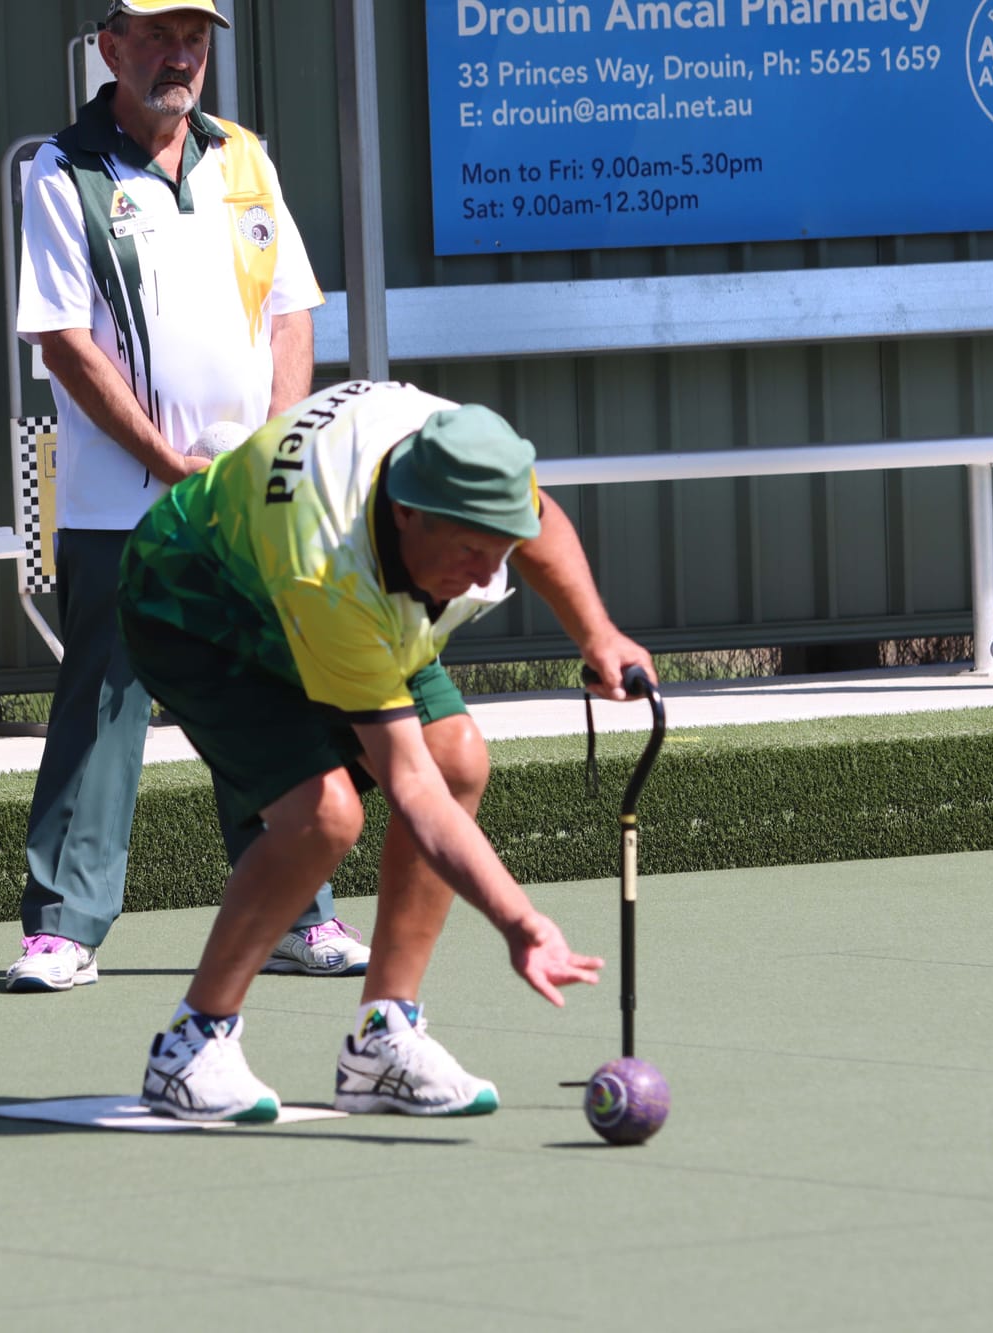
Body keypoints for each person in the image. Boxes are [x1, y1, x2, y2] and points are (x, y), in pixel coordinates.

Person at [119, 379, 654, 1121]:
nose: (486, 574)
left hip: (326, 582)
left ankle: (383, 1038)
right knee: (323, 816)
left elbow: (538, 517)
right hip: (198, 605)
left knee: (458, 757)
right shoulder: (329, 567)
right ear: (406, 510)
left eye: (498, 549)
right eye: (470, 549)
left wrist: (598, 635)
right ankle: (191, 1045)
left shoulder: (465, 459)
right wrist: (520, 921)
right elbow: (411, 786)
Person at [9, 0, 368, 993]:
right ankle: (63, 928)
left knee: (265, 701)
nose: (180, 57)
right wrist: (171, 464)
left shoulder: (244, 158)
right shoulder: (62, 171)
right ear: (110, 47)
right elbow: (63, 340)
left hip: (242, 503)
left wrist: (271, 452)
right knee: (102, 708)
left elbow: (291, 312)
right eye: (160, 37)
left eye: (195, 39)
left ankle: (296, 912)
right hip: (120, 504)